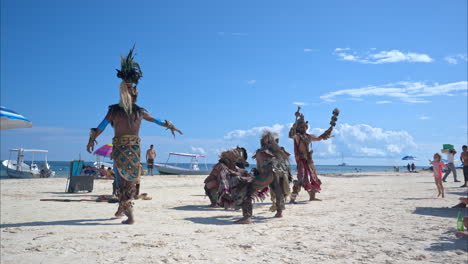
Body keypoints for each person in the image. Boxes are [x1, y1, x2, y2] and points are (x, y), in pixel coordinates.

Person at [86, 47, 182, 224]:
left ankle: (130, 216)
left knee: (123, 181)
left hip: (125, 150)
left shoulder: (120, 111)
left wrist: (92, 139)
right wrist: (170, 125)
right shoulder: (135, 111)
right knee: (125, 179)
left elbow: (101, 126)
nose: (135, 92)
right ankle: (121, 210)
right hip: (132, 150)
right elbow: (156, 120)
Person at [288, 107, 338, 203]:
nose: (304, 128)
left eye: (305, 127)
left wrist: (328, 131)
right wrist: (293, 126)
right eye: (301, 127)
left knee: (314, 177)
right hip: (301, 160)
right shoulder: (297, 136)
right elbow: (291, 135)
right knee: (301, 178)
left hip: (309, 160)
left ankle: (312, 197)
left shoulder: (308, 136)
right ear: (299, 128)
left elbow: (319, 138)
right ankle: (292, 198)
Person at [252, 131, 291, 218]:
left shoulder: (260, 152)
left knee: (276, 190)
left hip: (270, 173)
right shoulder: (278, 151)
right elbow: (284, 162)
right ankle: (280, 210)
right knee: (279, 190)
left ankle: (279, 211)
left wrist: (259, 174)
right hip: (282, 172)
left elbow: (259, 166)